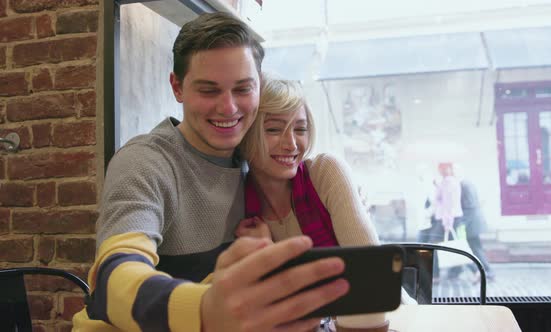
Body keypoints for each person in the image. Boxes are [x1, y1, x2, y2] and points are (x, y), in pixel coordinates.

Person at [73, 13, 350, 332]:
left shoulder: (253, 163)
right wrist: (203, 311)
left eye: (243, 89)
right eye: (209, 90)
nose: (228, 108)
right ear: (177, 87)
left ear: (259, 87)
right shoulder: (146, 161)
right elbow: (114, 277)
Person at [234, 77, 395, 331]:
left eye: (300, 129)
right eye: (274, 129)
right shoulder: (239, 208)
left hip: (383, 319)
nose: (292, 144)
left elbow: (371, 274)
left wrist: (274, 258)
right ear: (247, 134)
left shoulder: (325, 172)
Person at [459, 179, 495, 281]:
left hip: (471, 224)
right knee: (474, 248)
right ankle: (455, 271)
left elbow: (469, 205)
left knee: (475, 248)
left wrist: (461, 220)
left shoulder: (465, 185)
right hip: (473, 223)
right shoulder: (468, 184)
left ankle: (487, 271)